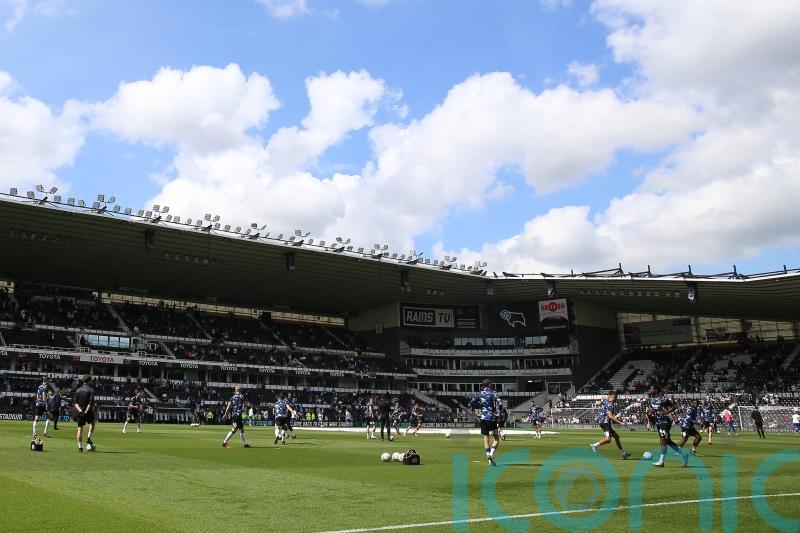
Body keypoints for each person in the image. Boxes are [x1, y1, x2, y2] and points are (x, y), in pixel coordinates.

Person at [646, 384, 688, 467]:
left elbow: (674, 407)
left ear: (656, 390)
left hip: (665, 421)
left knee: (663, 440)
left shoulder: (663, 399)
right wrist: (651, 419)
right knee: (668, 441)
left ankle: (661, 461)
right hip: (658, 422)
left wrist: (665, 412)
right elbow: (654, 412)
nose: (649, 390)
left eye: (651, 389)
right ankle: (684, 455)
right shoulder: (651, 399)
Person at [467, 379, 501, 466]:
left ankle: (489, 458)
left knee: (486, 438)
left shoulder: (479, 394)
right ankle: (491, 454)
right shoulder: (493, 393)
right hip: (492, 418)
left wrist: (475, 413)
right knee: (496, 439)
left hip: (483, 418)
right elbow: (500, 404)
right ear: (489, 385)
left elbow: (470, 404)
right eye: (491, 384)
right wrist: (498, 413)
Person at [590, 391, 631, 459]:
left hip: (602, 422)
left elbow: (599, 403)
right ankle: (594, 445)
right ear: (612, 397)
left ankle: (623, 453)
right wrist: (620, 422)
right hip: (605, 423)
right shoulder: (610, 404)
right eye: (615, 398)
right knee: (608, 439)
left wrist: (599, 402)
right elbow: (610, 416)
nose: (616, 399)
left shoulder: (605, 401)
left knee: (616, 437)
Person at [73, 375, 97, 452]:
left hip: (80, 412)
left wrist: (80, 411)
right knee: (92, 423)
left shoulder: (78, 390)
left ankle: (80, 447)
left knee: (80, 429)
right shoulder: (91, 390)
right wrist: (86, 411)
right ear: (89, 380)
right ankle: (88, 437)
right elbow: (90, 403)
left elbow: (75, 403)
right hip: (88, 411)